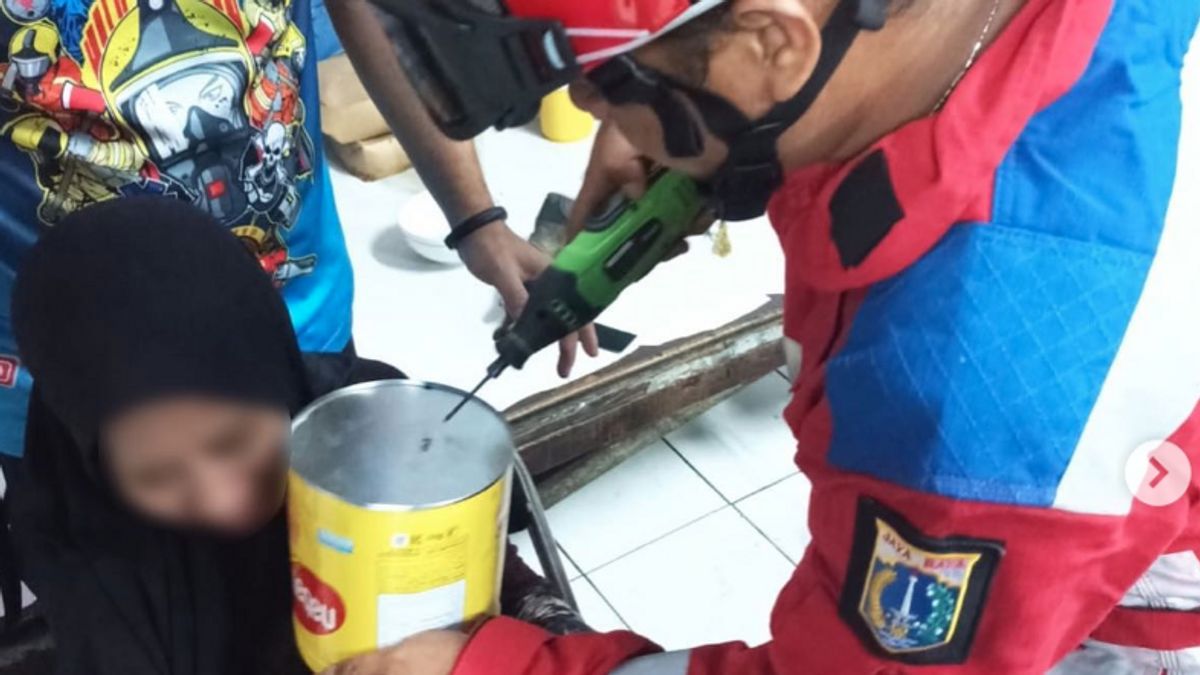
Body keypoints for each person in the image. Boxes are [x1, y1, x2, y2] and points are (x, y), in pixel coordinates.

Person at [322, 0, 1200, 673]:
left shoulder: (967, 405)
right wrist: (709, 142)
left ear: (774, 46)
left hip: (1117, 617)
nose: (598, 118)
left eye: (606, 85)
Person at [1, 197, 583, 674]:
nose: (222, 499)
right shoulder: (84, 544)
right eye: (157, 476)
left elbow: (493, 581)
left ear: (276, 381)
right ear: (99, 465)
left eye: (233, 443)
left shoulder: (369, 426)